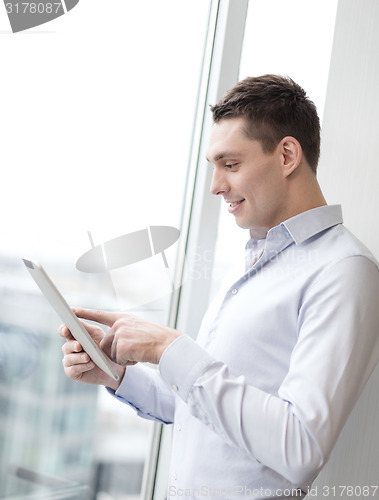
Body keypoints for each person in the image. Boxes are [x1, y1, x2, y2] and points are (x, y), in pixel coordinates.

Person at [59, 75, 379, 499]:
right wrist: (119, 375)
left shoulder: (344, 269)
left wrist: (169, 348)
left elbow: (300, 445)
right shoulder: (252, 261)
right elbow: (205, 412)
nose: (215, 186)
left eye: (230, 165)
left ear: (287, 155)